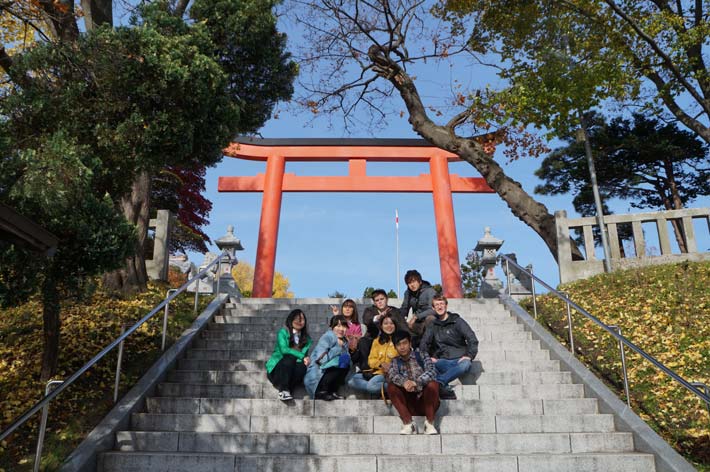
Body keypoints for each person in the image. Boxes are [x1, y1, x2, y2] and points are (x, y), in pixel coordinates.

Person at [420, 294, 479, 400]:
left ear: (446, 305)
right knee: (423, 360)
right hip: (443, 360)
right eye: (436, 305)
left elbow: (472, 339)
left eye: (441, 303)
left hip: (460, 360)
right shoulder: (433, 325)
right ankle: (443, 387)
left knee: (465, 365)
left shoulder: (457, 321)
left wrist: (469, 356)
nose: (439, 306)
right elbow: (424, 344)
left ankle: (439, 382)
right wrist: (428, 357)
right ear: (433, 308)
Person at [387, 330, 440, 435]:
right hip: (409, 404)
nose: (402, 347)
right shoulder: (395, 361)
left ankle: (429, 423)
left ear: (410, 343)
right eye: (398, 345)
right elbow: (392, 375)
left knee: (433, 384)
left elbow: (432, 371)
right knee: (391, 387)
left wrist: (416, 382)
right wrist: (405, 382)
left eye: (404, 343)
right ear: (395, 347)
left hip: (426, 402)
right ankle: (408, 423)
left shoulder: (422, 355)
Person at [265, 309, 313, 401]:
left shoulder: (307, 339)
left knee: (302, 366)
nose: (299, 321)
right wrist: (302, 356)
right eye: (296, 318)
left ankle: (287, 389)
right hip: (277, 371)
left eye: (302, 319)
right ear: (290, 320)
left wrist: (306, 360)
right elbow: (284, 350)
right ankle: (283, 390)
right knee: (289, 357)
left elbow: (303, 358)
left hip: (292, 373)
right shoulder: (283, 332)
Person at [348, 313, 397, 396]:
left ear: (395, 325)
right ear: (381, 326)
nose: (389, 326)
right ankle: (384, 388)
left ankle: (395, 388)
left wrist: (391, 366)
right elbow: (371, 360)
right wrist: (381, 364)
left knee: (371, 386)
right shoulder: (377, 341)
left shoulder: (399, 340)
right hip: (376, 371)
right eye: (385, 323)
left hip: (390, 374)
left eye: (391, 323)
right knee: (351, 381)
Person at [304, 315, 351, 401]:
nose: (341, 329)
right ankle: (321, 391)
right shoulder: (327, 337)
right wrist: (338, 348)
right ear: (332, 327)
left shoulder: (344, 341)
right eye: (338, 326)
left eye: (344, 326)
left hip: (328, 373)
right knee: (342, 360)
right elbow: (321, 360)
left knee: (345, 360)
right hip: (317, 378)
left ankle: (332, 391)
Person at [399, 269, 438, 339]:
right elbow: (404, 309)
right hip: (416, 324)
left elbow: (433, 310)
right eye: (409, 283)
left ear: (420, 282)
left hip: (428, 320)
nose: (412, 285)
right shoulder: (407, 293)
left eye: (414, 281)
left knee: (430, 319)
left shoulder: (430, 291)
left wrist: (416, 316)